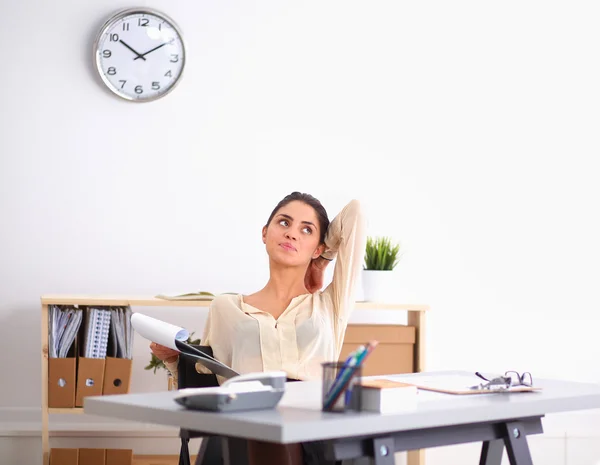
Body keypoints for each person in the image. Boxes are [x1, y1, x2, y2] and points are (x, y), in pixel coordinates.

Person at [150, 191, 367, 465]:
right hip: (246, 424)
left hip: (311, 430)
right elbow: (206, 382)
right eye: (284, 223)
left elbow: (355, 213)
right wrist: (173, 361)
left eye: (306, 230)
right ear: (265, 233)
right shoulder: (226, 308)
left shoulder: (329, 305)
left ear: (318, 247)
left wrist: (321, 263)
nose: (292, 234)